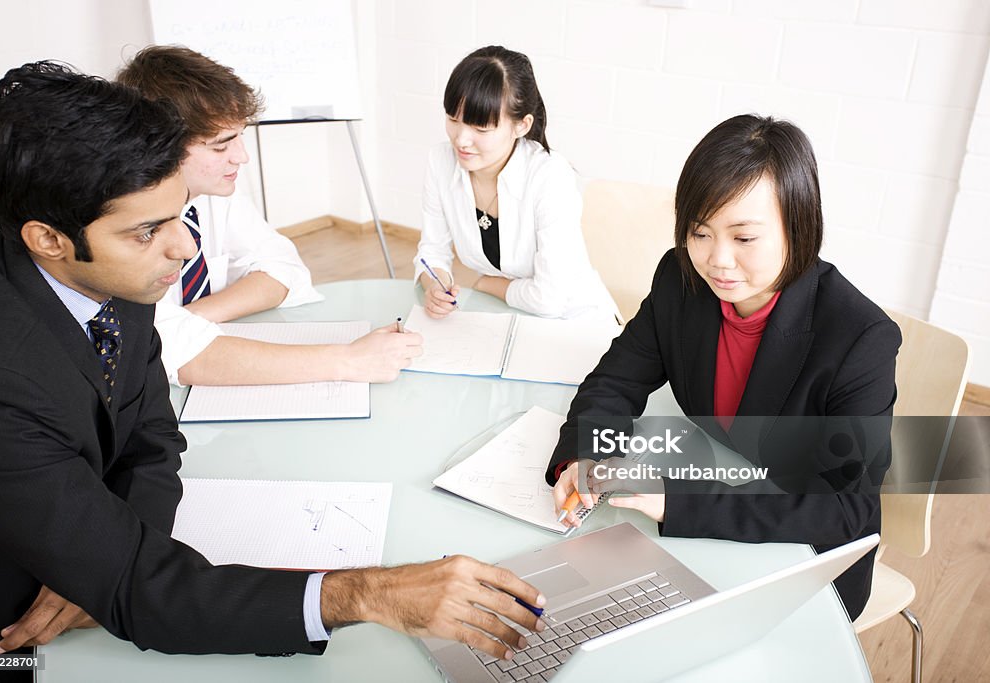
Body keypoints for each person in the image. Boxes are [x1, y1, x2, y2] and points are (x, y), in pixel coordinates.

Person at [0, 62, 545, 675]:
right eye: (147, 232)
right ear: (48, 239)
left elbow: (151, 441)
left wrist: (99, 557)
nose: (184, 249)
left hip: (82, 583)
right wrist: (365, 591)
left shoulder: (115, 277)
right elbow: (148, 592)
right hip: (0, 634)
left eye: (175, 218)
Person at [546, 114, 901, 621]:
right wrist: (584, 456)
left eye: (744, 238)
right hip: (712, 517)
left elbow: (846, 511)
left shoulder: (860, 340)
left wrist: (680, 502)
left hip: (802, 559)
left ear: (798, 228)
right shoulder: (681, 278)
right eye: (700, 232)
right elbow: (616, 380)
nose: (717, 260)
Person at [117, 45, 422, 386]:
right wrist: (349, 361)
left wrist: (189, 319)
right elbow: (169, 351)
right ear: (159, 146)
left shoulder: (213, 196)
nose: (241, 157)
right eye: (221, 146)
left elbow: (285, 270)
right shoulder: (123, 225)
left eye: (241, 138)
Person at [415, 45, 617, 321]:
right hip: (507, 315)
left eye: (481, 128)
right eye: (453, 119)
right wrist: (435, 286)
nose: (461, 139)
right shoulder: (441, 161)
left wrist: (488, 284)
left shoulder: (550, 176)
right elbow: (432, 251)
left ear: (521, 125)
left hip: (575, 320)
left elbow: (549, 300)